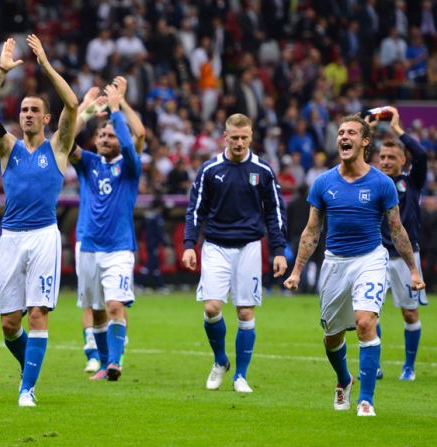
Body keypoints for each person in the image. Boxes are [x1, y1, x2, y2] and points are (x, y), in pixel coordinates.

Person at [284, 114, 425, 417]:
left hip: (371, 258)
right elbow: (311, 230)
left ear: (364, 142)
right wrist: (296, 271)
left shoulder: (382, 183)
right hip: (335, 262)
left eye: (351, 133)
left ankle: (366, 400)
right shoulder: (323, 183)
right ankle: (344, 379)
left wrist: (413, 270)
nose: (343, 137)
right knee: (332, 337)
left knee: (365, 323)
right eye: (340, 133)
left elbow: (397, 229)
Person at [0, 35, 78, 406]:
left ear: (46, 118)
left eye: (35, 111)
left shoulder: (58, 147)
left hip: (42, 237)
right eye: (23, 111)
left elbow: (72, 103)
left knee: (37, 313)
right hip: (11, 238)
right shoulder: (8, 148)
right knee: (8, 324)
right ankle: (29, 370)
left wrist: (46, 65)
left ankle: (27, 389)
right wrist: (1, 72)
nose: (28, 115)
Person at [182, 113, 288, 394]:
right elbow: (195, 209)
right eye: (234, 137)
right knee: (211, 307)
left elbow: (275, 214)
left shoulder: (263, 170)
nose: (239, 142)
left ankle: (240, 375)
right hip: (215, 246)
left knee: (245, 311)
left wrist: (279, 250)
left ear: (251, 137)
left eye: (244, 137)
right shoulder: (210, 170)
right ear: (225, 136)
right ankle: (220, 361)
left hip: (250, 247)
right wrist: (189, 244)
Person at [72, 79, 143, 381]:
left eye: (110, 134)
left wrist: (117, 109)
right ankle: (103, 363)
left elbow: (132, 140)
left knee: (115, 305)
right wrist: (86, 110)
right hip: (88, 246)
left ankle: (115, 362)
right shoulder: (87, 163)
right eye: (101, 133)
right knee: (97, 310)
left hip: (118, 248)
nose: (104, 137)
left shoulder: (129, 167)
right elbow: (62, 141)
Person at [372, 107, 428, 381]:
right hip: (377, 255)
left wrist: (397, 130)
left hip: (406, 257)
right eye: (382, 156)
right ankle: (376, 365)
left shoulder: (411, 181)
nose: (385, 161)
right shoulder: (373, 182)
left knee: (409, 312)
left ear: (402, 160)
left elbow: (422, 154)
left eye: (391, 157)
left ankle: (409, 367)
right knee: (371, 312)